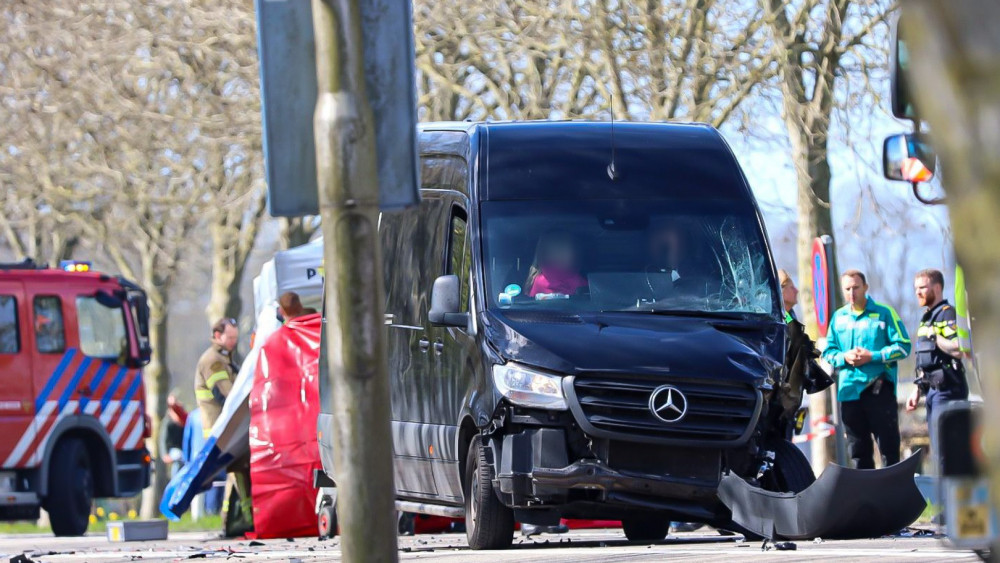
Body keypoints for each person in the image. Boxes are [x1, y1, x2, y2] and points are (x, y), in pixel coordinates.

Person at [822, 270, 911, 469]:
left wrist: (873, 356)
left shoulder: (884, 313)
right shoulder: (838, 318)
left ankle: (890, 496)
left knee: (889, 450)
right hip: (849, 393)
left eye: (856, 287)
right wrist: (844, 357)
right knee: (858, 453)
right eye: (847, 289)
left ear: (866, 288)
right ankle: (865, 498)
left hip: (879, 389)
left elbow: (904, 346)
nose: (851, 293)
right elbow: (828, 352)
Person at [194, 317, 252, 536]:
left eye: (236, 338)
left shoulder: (224, 358)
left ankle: (230, 522)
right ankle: (248, 519)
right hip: (221, 429)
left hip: (228, 427)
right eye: (230, 338)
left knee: (235, 471)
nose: (233, 343)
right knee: (240, 469)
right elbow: (228, 395)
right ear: (217, 336)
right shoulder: (213, 361)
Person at [905, 269, 968, 443]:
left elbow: (960, 349)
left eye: (923, 287)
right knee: (937, 444)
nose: (918, 292)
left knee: (947, 444)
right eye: (916, 288)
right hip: (931, 390)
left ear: (937, 288)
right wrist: (916, 389)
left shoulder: (947, 313)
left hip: (947, 388)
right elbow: (924, 360)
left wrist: (936, 338)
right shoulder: (926, 318)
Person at [182, 407, 224, 519]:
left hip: (196, 456)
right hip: (214, 454)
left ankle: (197, 516)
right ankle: (214, 511)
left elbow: (187, 438)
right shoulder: (217, 412)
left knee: (196, 485)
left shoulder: (193, 415)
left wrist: (186, 459)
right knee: (216, 483)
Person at [525, 231, 587, 298]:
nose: (561, 255)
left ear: (574, 254)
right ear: (545, 255)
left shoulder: (581, 282)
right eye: (556, 250)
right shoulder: (540, 282)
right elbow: (535, 307)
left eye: (565, 250)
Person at [158, 393, 187, 479]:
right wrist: (164, 454)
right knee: (178, 456)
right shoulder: (168, 421)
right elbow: (163, 439)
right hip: (174, 450)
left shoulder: (185, 419)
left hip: (184, 449)